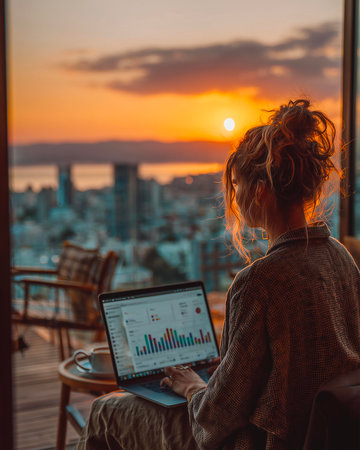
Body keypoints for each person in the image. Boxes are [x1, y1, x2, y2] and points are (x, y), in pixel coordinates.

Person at [77, 99, 360, 450]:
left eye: (238, 186)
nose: (236, 197)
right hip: (323, 439)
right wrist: (225, 368)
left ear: (260, 191)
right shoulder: (341, 258)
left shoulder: (260, 281)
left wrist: (192, 385)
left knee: (105, 410)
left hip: (253, 442)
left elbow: (216, 418)